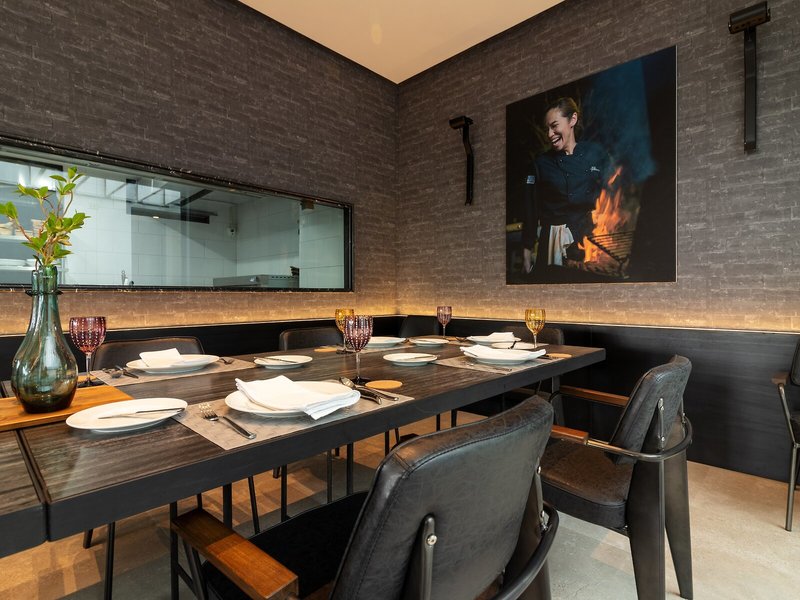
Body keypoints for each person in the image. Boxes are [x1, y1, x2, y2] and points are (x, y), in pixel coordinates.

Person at [521, 97, 612, 274]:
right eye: (547, 129)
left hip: (590, 238)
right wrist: (526, 250)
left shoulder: (595, 153)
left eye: (554, 126)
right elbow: (529, 209)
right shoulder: (541, 164)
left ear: (573, 120)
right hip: (554, 240)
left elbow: (611, 195)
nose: (549, 134)